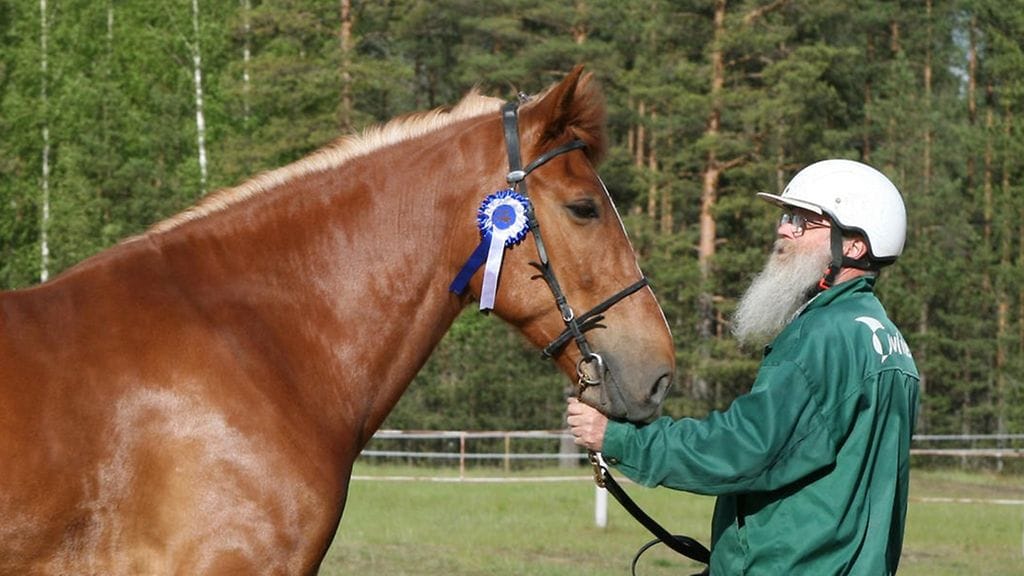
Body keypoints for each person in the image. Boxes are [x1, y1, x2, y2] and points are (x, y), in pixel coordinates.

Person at [567, 159, 920, 575]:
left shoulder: (823, 335)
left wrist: (619, 439)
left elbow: (746, 448)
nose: (784, 230)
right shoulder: (888, 340)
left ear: (855, 246)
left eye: (803, 222)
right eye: (786, 217)